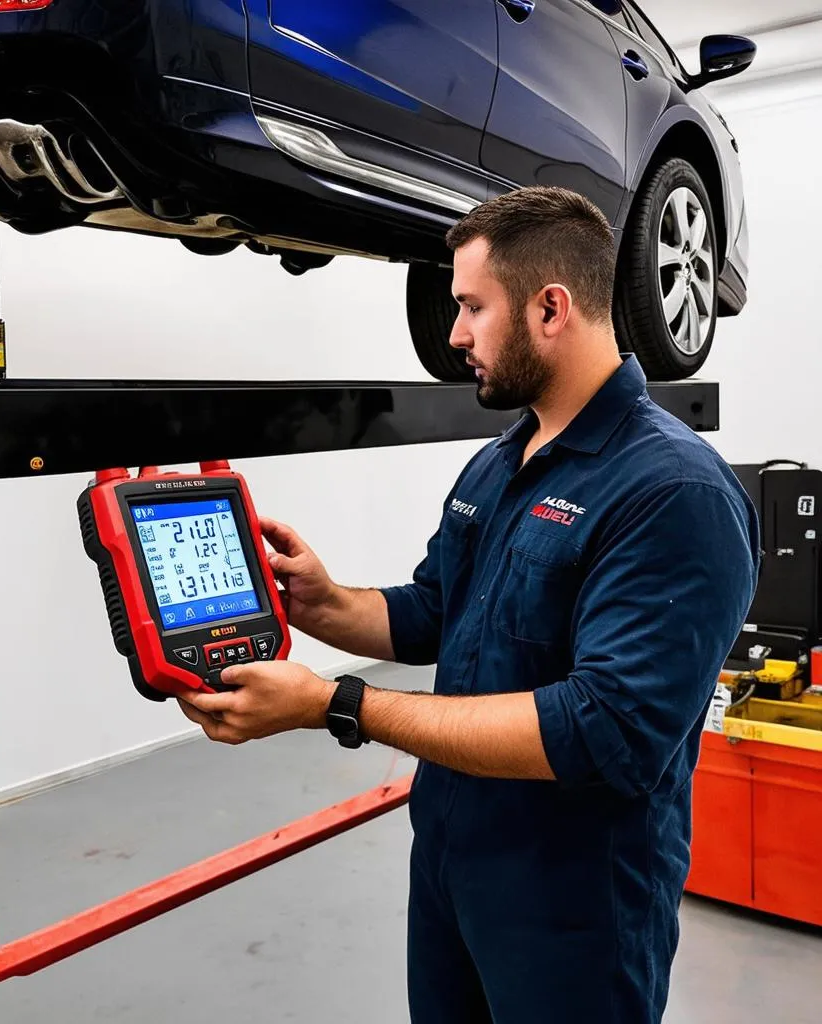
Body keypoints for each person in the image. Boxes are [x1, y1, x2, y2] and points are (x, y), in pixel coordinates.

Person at [176, 186, 760, 1023]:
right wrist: (323, 601)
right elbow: (432, 612)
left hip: (576, 907)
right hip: (453, 864)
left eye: (471, 307)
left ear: (550, 308)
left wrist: (337, 704)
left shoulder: (673, 492)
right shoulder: (501, 461)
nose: (455, 336)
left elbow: (604, 728)